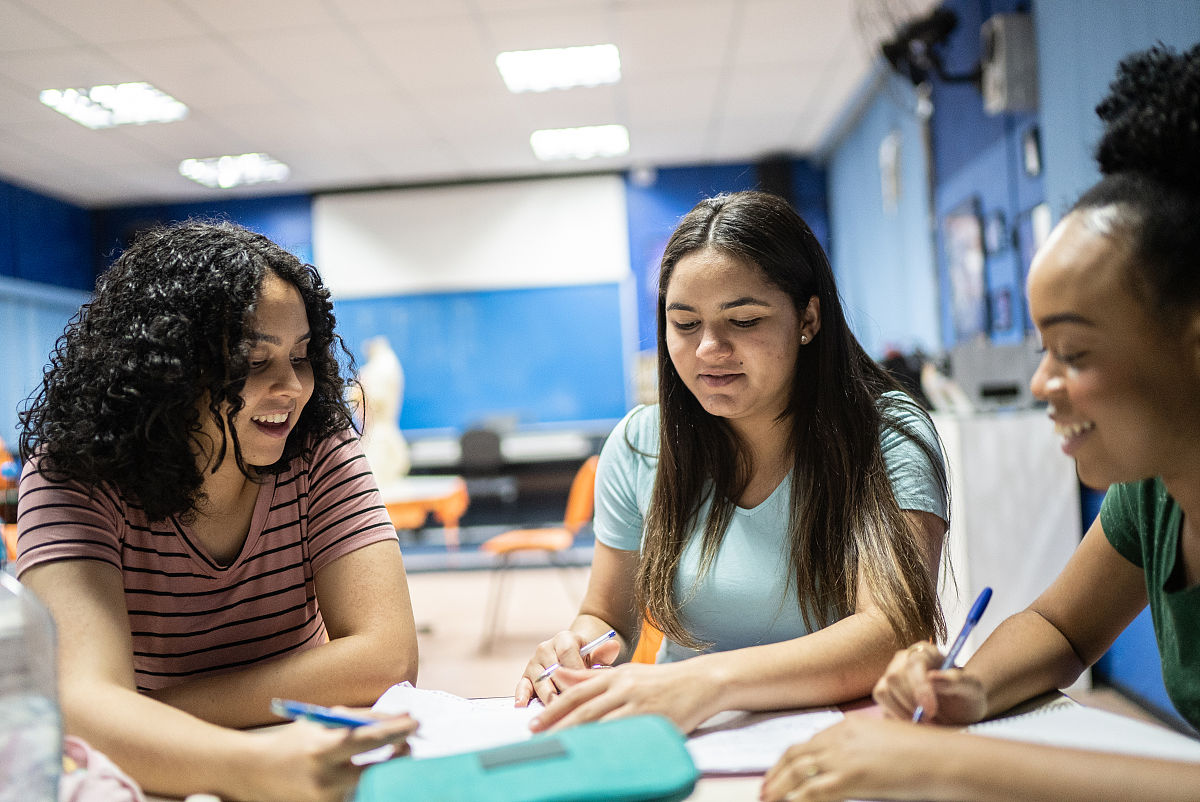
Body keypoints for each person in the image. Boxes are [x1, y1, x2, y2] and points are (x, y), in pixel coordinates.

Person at [761, 43, 1200, 802]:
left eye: (1074, 352)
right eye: (1042, 350)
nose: (1042, 383)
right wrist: (965, 687)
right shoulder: (1159, 493)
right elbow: (1061, 630)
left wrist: (941, 760)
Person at [515, 190, 950, 735]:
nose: (708, 349)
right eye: (685, 323)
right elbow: (608, 617)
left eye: (743, 320)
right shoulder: (640, 444)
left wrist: (709, 683)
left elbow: (894, 631)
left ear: (808, 318)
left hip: (846, 742)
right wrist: (578, 647)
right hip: (692, 740)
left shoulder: (885, 436)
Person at [14, 221, 419, 802]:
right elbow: (82, 708)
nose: (293, 388)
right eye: (255, 361)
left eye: (301, 357)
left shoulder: (320, 447)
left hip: (283, 755)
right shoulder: (73, 475)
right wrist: (252, 763)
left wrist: (144, 712)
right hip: (162, 776)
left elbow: (388, 656)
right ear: (167, 370)